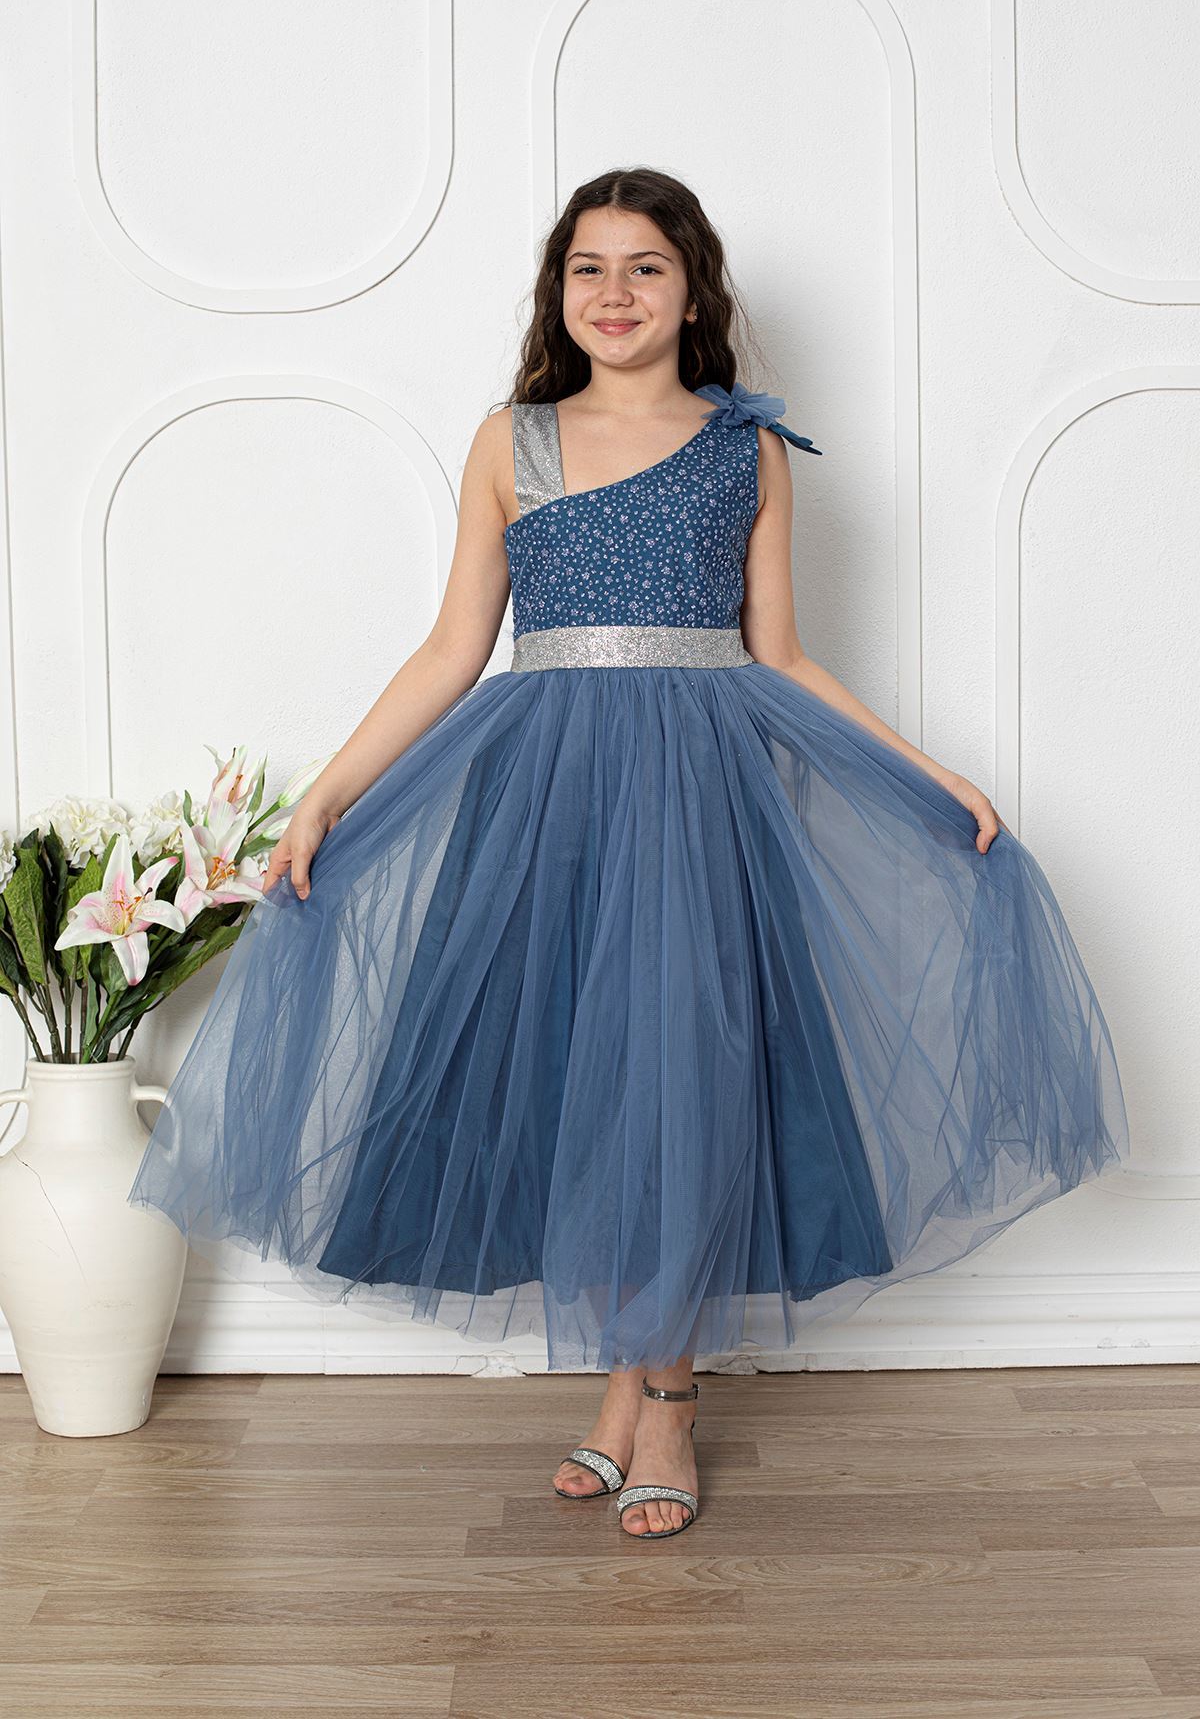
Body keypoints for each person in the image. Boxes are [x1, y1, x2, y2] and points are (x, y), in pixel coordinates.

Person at [128, 166, 1129, 1541]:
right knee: (575, 1086)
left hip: (700, 798)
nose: (614, 293)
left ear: (694, 291)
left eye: (646, 267)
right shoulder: (512, 440)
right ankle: (623, 1389)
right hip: (543, 803)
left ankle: (667, 1404)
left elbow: (782, 655)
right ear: (558, 294)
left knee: (680, 1081)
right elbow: (452, 649)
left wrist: (926, 773)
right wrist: (330, 796)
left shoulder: (746, 449)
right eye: (588, 268)